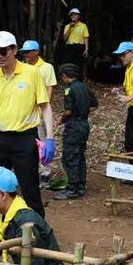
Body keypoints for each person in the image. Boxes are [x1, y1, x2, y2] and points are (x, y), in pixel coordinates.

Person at [0, 31, 55, 236]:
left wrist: (50, 138)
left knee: (30, 191)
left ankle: (39, 237)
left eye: (3, 51)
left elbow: (45, 106)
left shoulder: (32, 73)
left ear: (14, 50)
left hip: (25, 138)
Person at [54, 63, 97, 200]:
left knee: (70, 157)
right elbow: (94, 105)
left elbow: (68, 111)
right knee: (80, 155)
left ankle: (72, 188)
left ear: (66, 76)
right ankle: (81, 185)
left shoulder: (69, 90)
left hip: (73, 126)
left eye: (61, 76)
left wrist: (61, 120)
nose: (61, 79)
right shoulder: (85, 87)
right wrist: (83, 112)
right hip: (84, 124)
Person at [18, 40, 58, 185]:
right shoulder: (21, 68)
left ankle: (45, 172)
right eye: (24, 52)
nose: (25, 55)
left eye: (28, 52)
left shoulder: (47, 68)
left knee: (42, 142)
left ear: (36, 52)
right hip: (25, 112)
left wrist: (43, 108)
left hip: (39, 111)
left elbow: (49, 88)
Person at [63, 8, 89, 75]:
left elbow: (85, 38)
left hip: (79, 47)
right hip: (70, 47)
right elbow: (65, 38)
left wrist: (86, 49)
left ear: (78, 16)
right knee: (69, 65)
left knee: (79, 65)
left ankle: (79, 81)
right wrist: (70, 28)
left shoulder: (83, 26)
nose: (73, 16)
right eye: (71, 15)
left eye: (75, 15)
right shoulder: (67, 26)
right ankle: (70, 81)